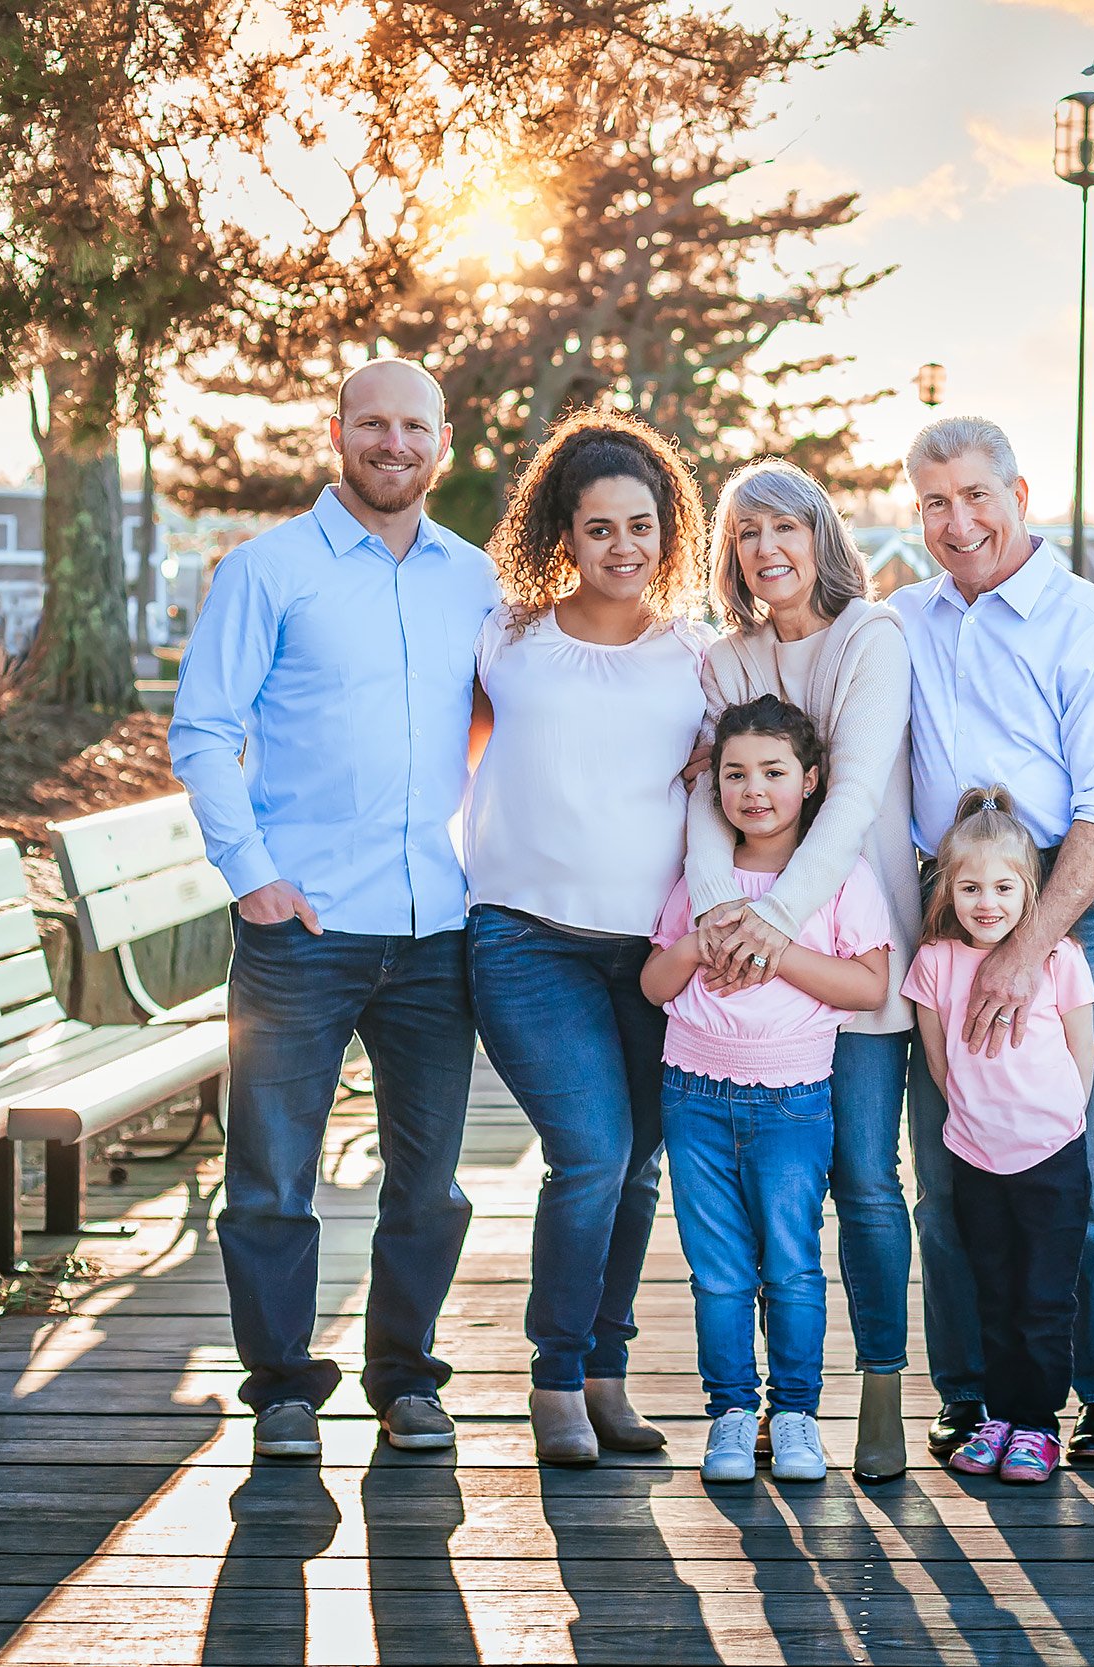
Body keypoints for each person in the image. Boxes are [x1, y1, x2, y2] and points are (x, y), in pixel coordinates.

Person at [171, 358, 496, 1461]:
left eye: (414, 425)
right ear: (338, 432)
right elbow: (204, 730)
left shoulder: (475, 578)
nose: (392, 443)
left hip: (434, 926)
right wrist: (250, 870)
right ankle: (282, 1388)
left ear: (442, 438)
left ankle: (407, 1377)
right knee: (269, 1174)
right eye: (373, 423)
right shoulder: (268, 569)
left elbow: (499, 722)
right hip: (298, 929)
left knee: (431, 1181)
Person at [893, 416, 1094, 1463]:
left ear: (1019, 491)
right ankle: (976, 1394)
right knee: (955, 1163)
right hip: (943, 904)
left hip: (1073, 899)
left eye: (975, 495)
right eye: (933, 502)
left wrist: (1029, 942)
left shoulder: (1090, 628)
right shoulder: (898, 620)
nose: (957, 522)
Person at [460, 411, 710, 1466]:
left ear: (668, 534)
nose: (620, 546)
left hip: (651, 956)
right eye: (597, 527)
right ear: (562, 534)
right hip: (526, 940)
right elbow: (445, 748)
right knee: (592, 1153)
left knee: (638, 1164)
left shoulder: (699, 657)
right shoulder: (507, 639)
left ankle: (606, 1370)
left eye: (640, 526)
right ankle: (554, 1373)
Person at [682, 459, 922, 1483]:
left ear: (820, 535)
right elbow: (701, 791)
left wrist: (773, 921)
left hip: (848, 952)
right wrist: (718, 920)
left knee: (863, 1180)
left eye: (785, 528)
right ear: (728, 554)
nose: (767, 550)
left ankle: (873, 1389)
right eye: (746, 534)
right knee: (760, 1207)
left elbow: (857, 795)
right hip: (744, 981)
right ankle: (756, 1400)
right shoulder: (727, 659)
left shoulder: (873, 637)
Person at [643, 697, 893, 1486]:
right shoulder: (701, 882)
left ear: (811, 780)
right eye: (735, 774)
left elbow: (869, 984)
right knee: (717, 1269)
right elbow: (655, 984)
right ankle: (727, 1412)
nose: (755, 790)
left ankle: (794, 1413)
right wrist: (694, 944)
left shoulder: (839, 879)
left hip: (791, 1101)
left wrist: (773, 949)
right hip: (693, 1095)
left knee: (789, 1263)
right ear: (713, 788)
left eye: (774, 772)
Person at [901, 788, 1094, 1485]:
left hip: (1051, 1156)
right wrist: (979, 1116)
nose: (987, 901)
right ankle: (995, 1416)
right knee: (992, 1288)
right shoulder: (934, 964)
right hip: (975, 1157)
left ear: (1030, 890)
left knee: (1044, 1295)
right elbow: (937, 1061)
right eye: (971, 886)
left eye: (1004, 887)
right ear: (947, 888)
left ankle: (1038, 1424)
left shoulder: (1062, 958)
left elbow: (1084, 1050)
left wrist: (1058, 1115)